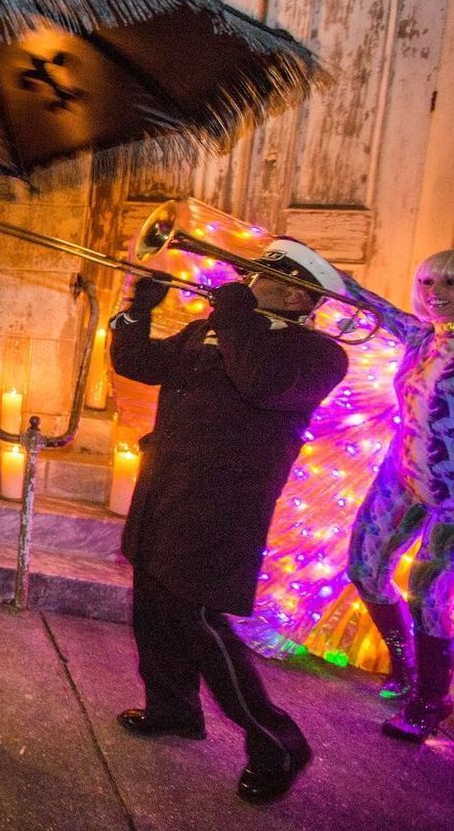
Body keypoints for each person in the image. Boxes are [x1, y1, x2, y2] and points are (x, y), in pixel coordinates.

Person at [110, 239, 350, 805]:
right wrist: (135, 311)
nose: (244, 276)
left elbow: (261, 382)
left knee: (199, 622)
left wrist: (235, 310)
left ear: (298, 292)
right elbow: (139, 363)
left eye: (261, 272)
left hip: (220, 509)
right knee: (152, 607)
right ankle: (174, 709)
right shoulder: (213, 328)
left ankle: (278, 741)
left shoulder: (318, 353)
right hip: (165, 489)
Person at [342, 250, 454, 742]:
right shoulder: (420, 336)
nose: (437, 293)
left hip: (452, 496)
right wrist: (309, 265)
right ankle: (402, 662)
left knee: (428, 596)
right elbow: (367, 301)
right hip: (401, 475)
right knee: (365, 569)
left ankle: (430, 701)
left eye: (451, 283)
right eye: (428, 282)